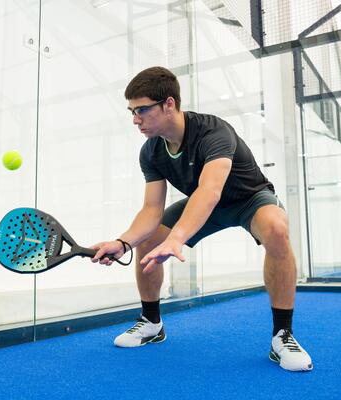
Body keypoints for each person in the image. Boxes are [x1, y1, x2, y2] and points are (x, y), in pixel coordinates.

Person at [91, 66, 313, 372]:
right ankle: (151, 323)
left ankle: (282, 335)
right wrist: (123, 242)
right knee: (148, 238)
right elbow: (151, 210)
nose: (135, 119)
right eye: (132, 111)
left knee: (276, 228)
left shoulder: (212, 131)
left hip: (248, 199)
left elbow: (210, 191)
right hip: (203, 204)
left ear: (169, 104)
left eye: (142, 110)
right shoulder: (151, 152)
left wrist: (177, 238)